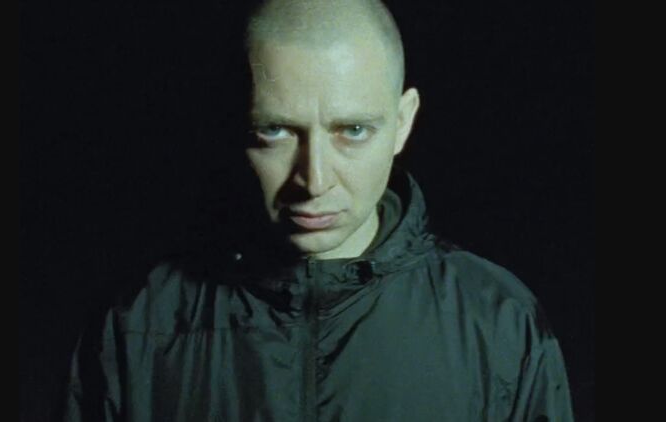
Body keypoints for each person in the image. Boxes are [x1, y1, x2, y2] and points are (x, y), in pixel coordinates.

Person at [64, 1, 574, 421]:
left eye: (353, 131)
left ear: (403, 123)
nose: (314, 180)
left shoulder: (499, 322)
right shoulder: (138, 324)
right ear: (236, 122)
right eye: (276, 131)